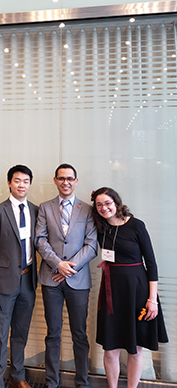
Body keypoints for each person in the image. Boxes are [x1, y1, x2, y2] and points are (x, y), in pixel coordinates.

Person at [91, 187, 168, 388]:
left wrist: (152, 300)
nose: (104, 208)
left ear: (116, 202)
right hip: (111, 291)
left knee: (135, 348)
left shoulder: (136, 225)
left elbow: (151, 264)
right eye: (99, 204)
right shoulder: (99, 227)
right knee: (110, 348)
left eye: (107, 203)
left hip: (137, 291)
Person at [35, 163, 97, 388]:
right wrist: (57, 264)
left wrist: (70, 267)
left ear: (76, 181)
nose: (66, 182)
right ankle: (52, 382)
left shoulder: (87, 209)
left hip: (78, 281)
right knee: (53, 333)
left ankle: (82, 382)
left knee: (79, 334)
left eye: (70, 178)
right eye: (61, 178)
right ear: (55, 180)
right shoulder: (44, 207)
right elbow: (39, 239)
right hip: (51, 279)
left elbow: (91, 245)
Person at [0, 164, 38, 388]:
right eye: (17, 180)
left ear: (29, 184)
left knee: (20, 333)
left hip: (28, 281)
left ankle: (18, 376)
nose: (21, 185)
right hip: (4, 284)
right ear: (9, 183)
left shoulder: (36, 210)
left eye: (25, 181)